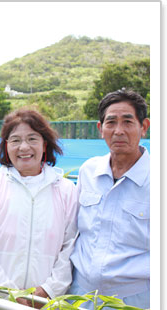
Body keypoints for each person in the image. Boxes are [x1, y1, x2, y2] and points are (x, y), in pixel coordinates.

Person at [0, 108, 78, 306]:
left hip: (49, 302)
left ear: (45, 144)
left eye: (32, 139)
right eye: (16, 140)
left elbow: (71, 246)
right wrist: (8, 293)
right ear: (6, 146)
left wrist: (48, 290)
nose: (24, 147)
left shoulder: (66, 190)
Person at [68, 89, 150, 309]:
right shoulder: (88, 171)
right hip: (80, 296)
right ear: (100, 128)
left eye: (128, 122)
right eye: (111, 122)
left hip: (135, 300)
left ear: (144, 127)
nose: (119, 131)